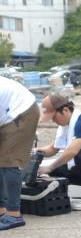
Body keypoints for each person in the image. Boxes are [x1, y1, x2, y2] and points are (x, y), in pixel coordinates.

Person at [0, 77, 39, 230]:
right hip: (6, 114)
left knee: (10, 162)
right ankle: (2, 210)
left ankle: (14, 214)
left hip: (21, 112)